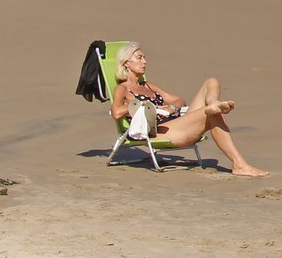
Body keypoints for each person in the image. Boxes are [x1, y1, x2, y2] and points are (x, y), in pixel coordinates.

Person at [109, 42, 266, 178]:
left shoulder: (148, 86)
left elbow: (179, 100)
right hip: (158, 131)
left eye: (144, 57)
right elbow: (116, 112)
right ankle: (239, 164)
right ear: (126, 63)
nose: (144, 61)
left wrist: (172, 107)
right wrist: (148, 106)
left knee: (211, 82)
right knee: (212, 114)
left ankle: (213, 103)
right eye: (139, 58)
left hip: (176, 122)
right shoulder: (122, 89)